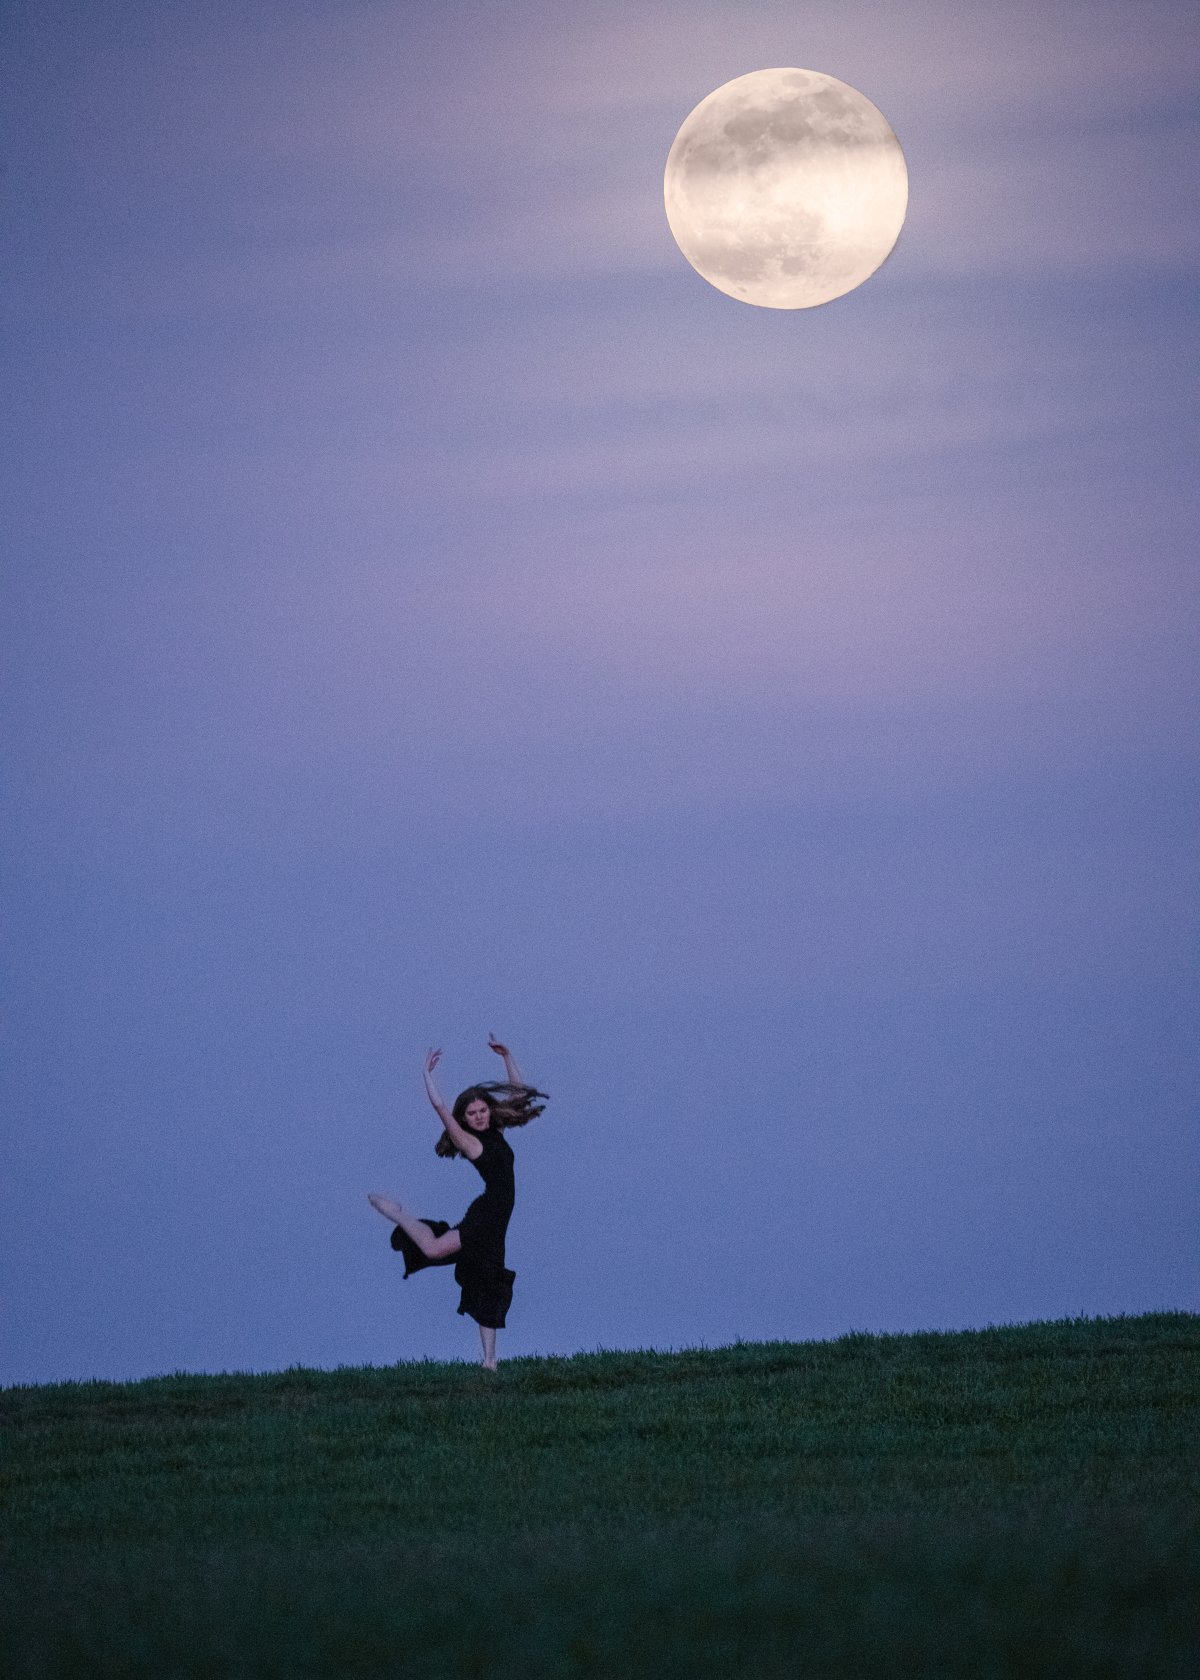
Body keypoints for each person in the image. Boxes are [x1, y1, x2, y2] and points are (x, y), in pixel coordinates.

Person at [368, 1036, 547, 1370]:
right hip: (485, 1217)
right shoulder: (469, 1142)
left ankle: (489, 1361)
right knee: (439, 1252)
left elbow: (520, 1096)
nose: (478, 1117)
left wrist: (507, 1055)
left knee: (485, 1279)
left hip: (495, 1219)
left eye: (482, 1111)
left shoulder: (495, 1131)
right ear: (464, 1119)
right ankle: (396, 1214)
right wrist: (427, 1075)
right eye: (472, 1113)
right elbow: (440, 1110)